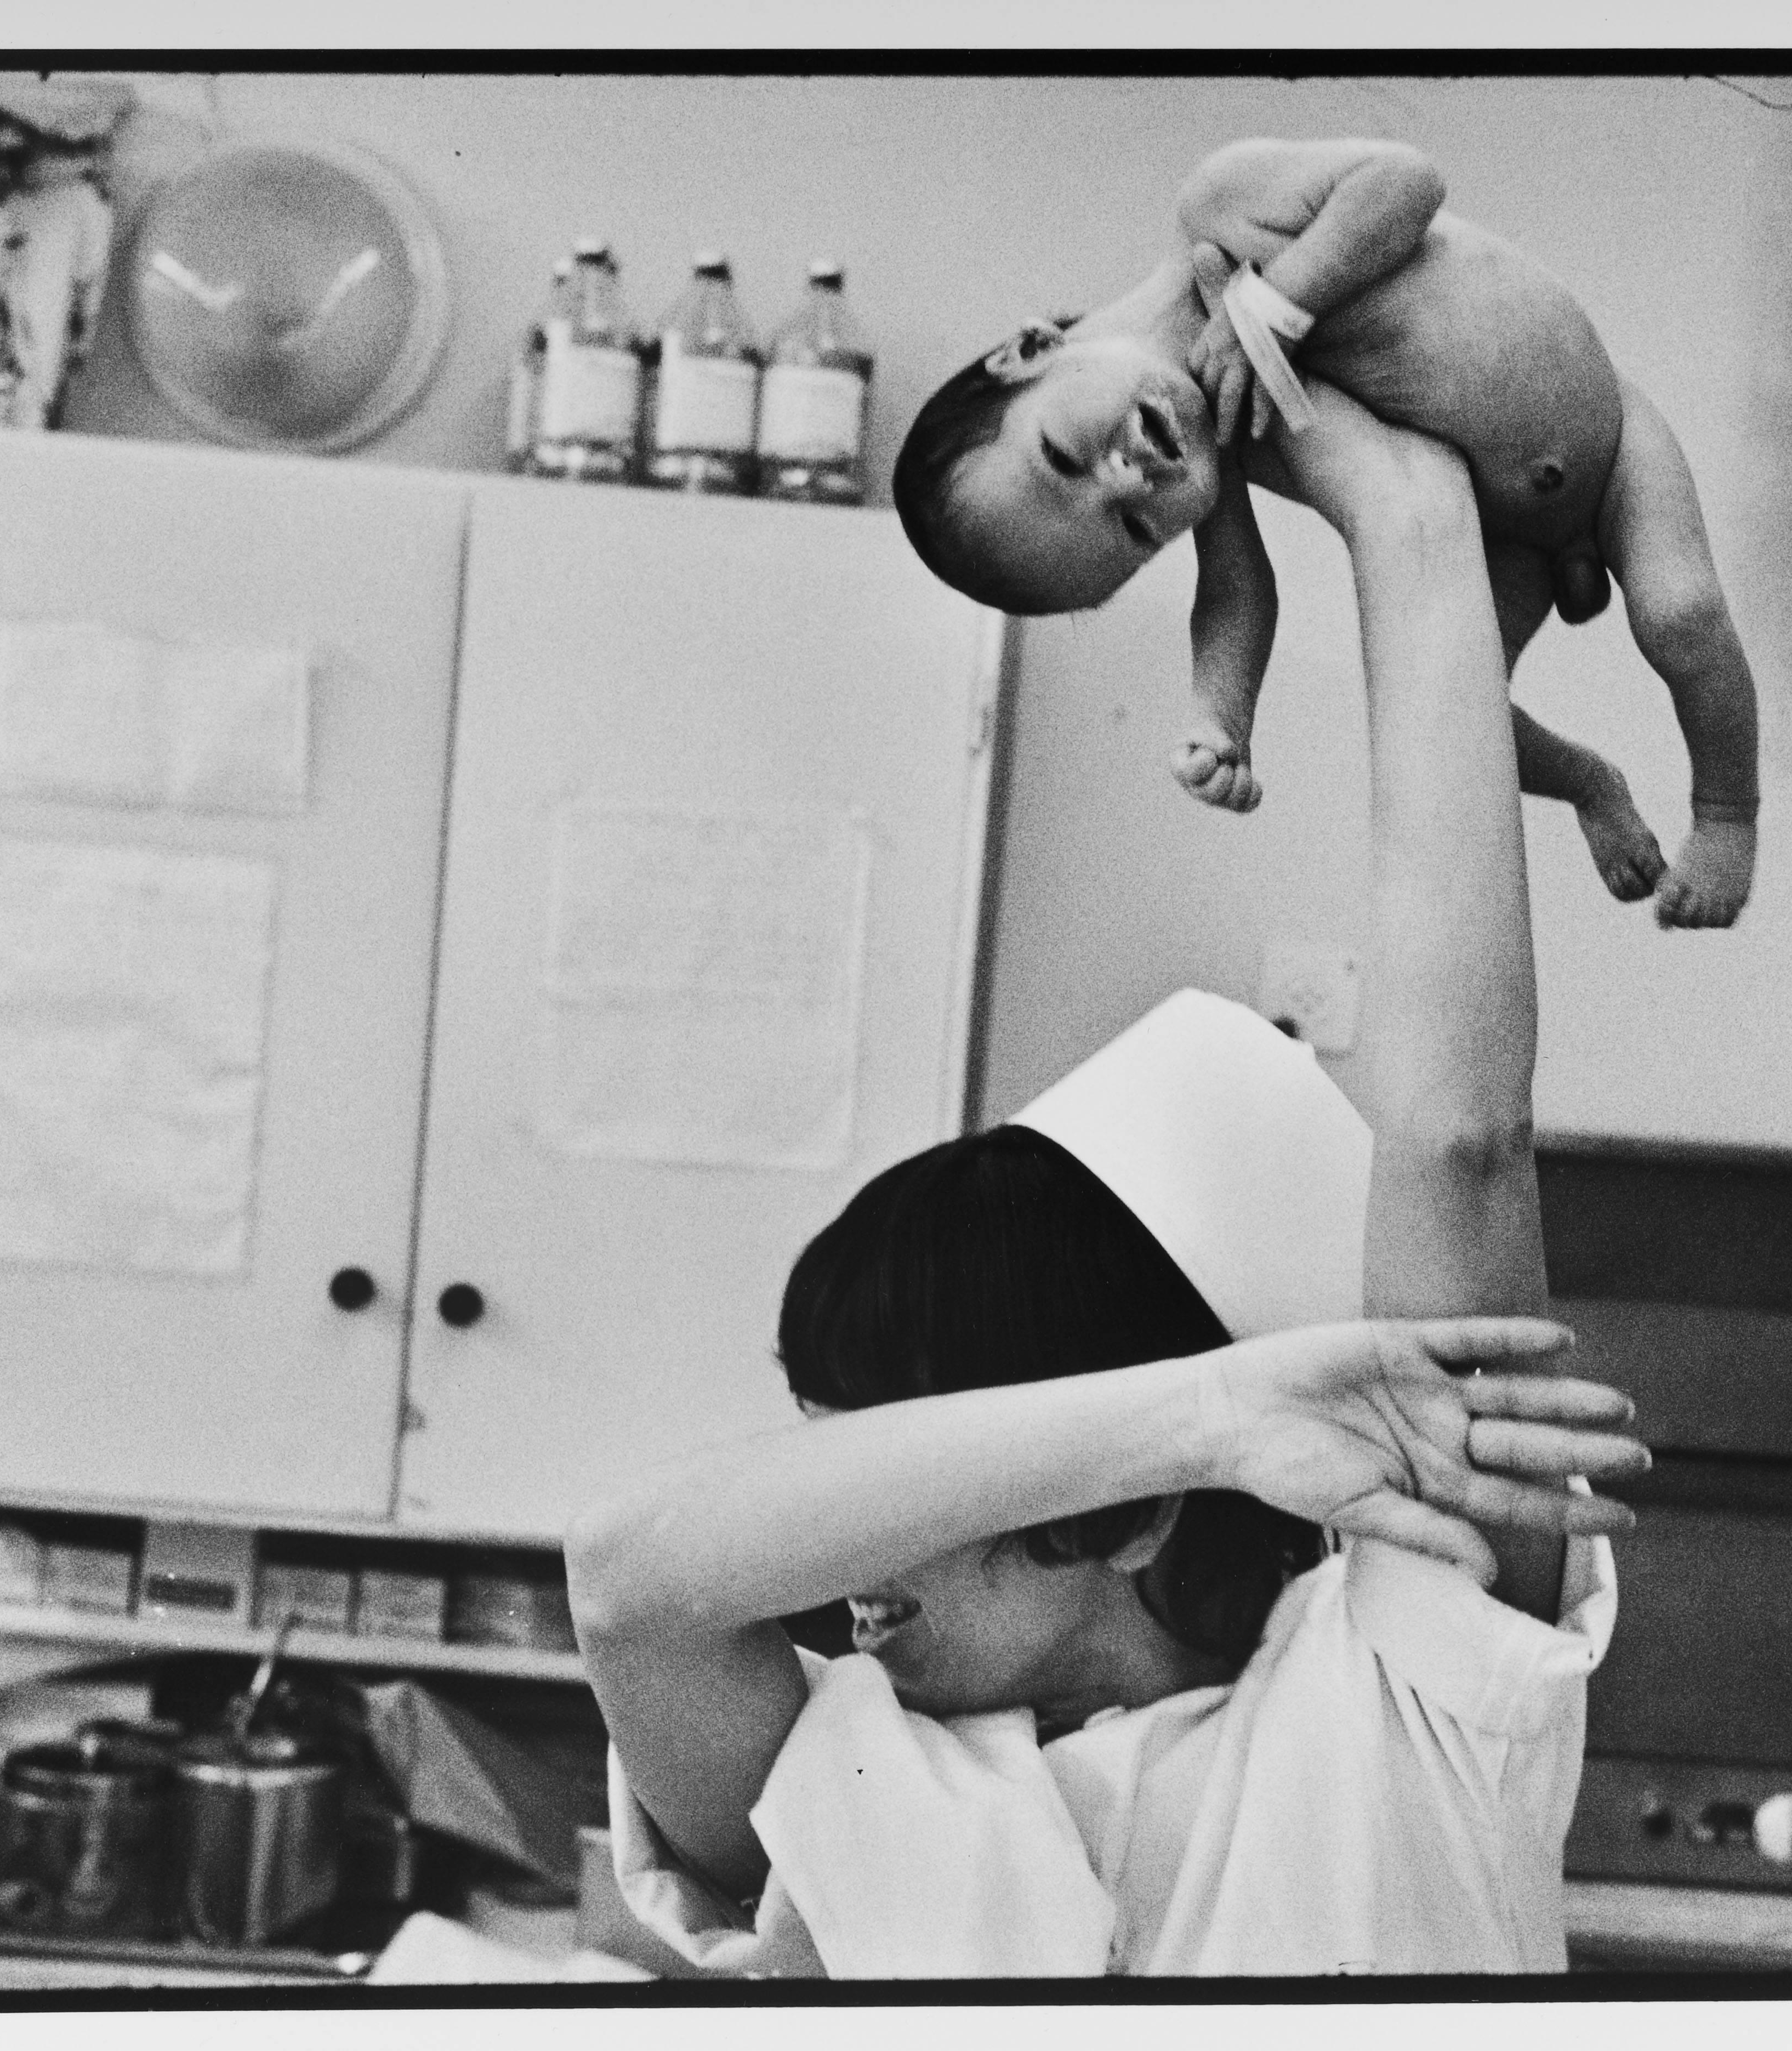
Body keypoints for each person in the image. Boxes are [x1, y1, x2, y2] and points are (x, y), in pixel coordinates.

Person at [569, 383, 1638, 1975]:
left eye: (905, 1445)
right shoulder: (870, 1769)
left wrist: (1409, 522)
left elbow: (1460, 1129)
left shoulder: (1396, 1718)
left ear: (1129, 1519)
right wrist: (1196, 1416)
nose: (843, 1546)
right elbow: (628, 1580)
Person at [892, 135, 1765, 929]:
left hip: (1612, 439)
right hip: (1508, 535)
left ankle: (1726, 811)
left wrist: (1274, 305)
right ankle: (1590, 783)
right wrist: (1219, 718)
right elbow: (1235, 591)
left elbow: (1405, 184)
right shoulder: (1219, 433)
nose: (1127, 481)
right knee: (1464, 718)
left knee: (1680, 612)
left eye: (1059, 455)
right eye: (1134, 530)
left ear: (1028, 350)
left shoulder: (1220, 208)